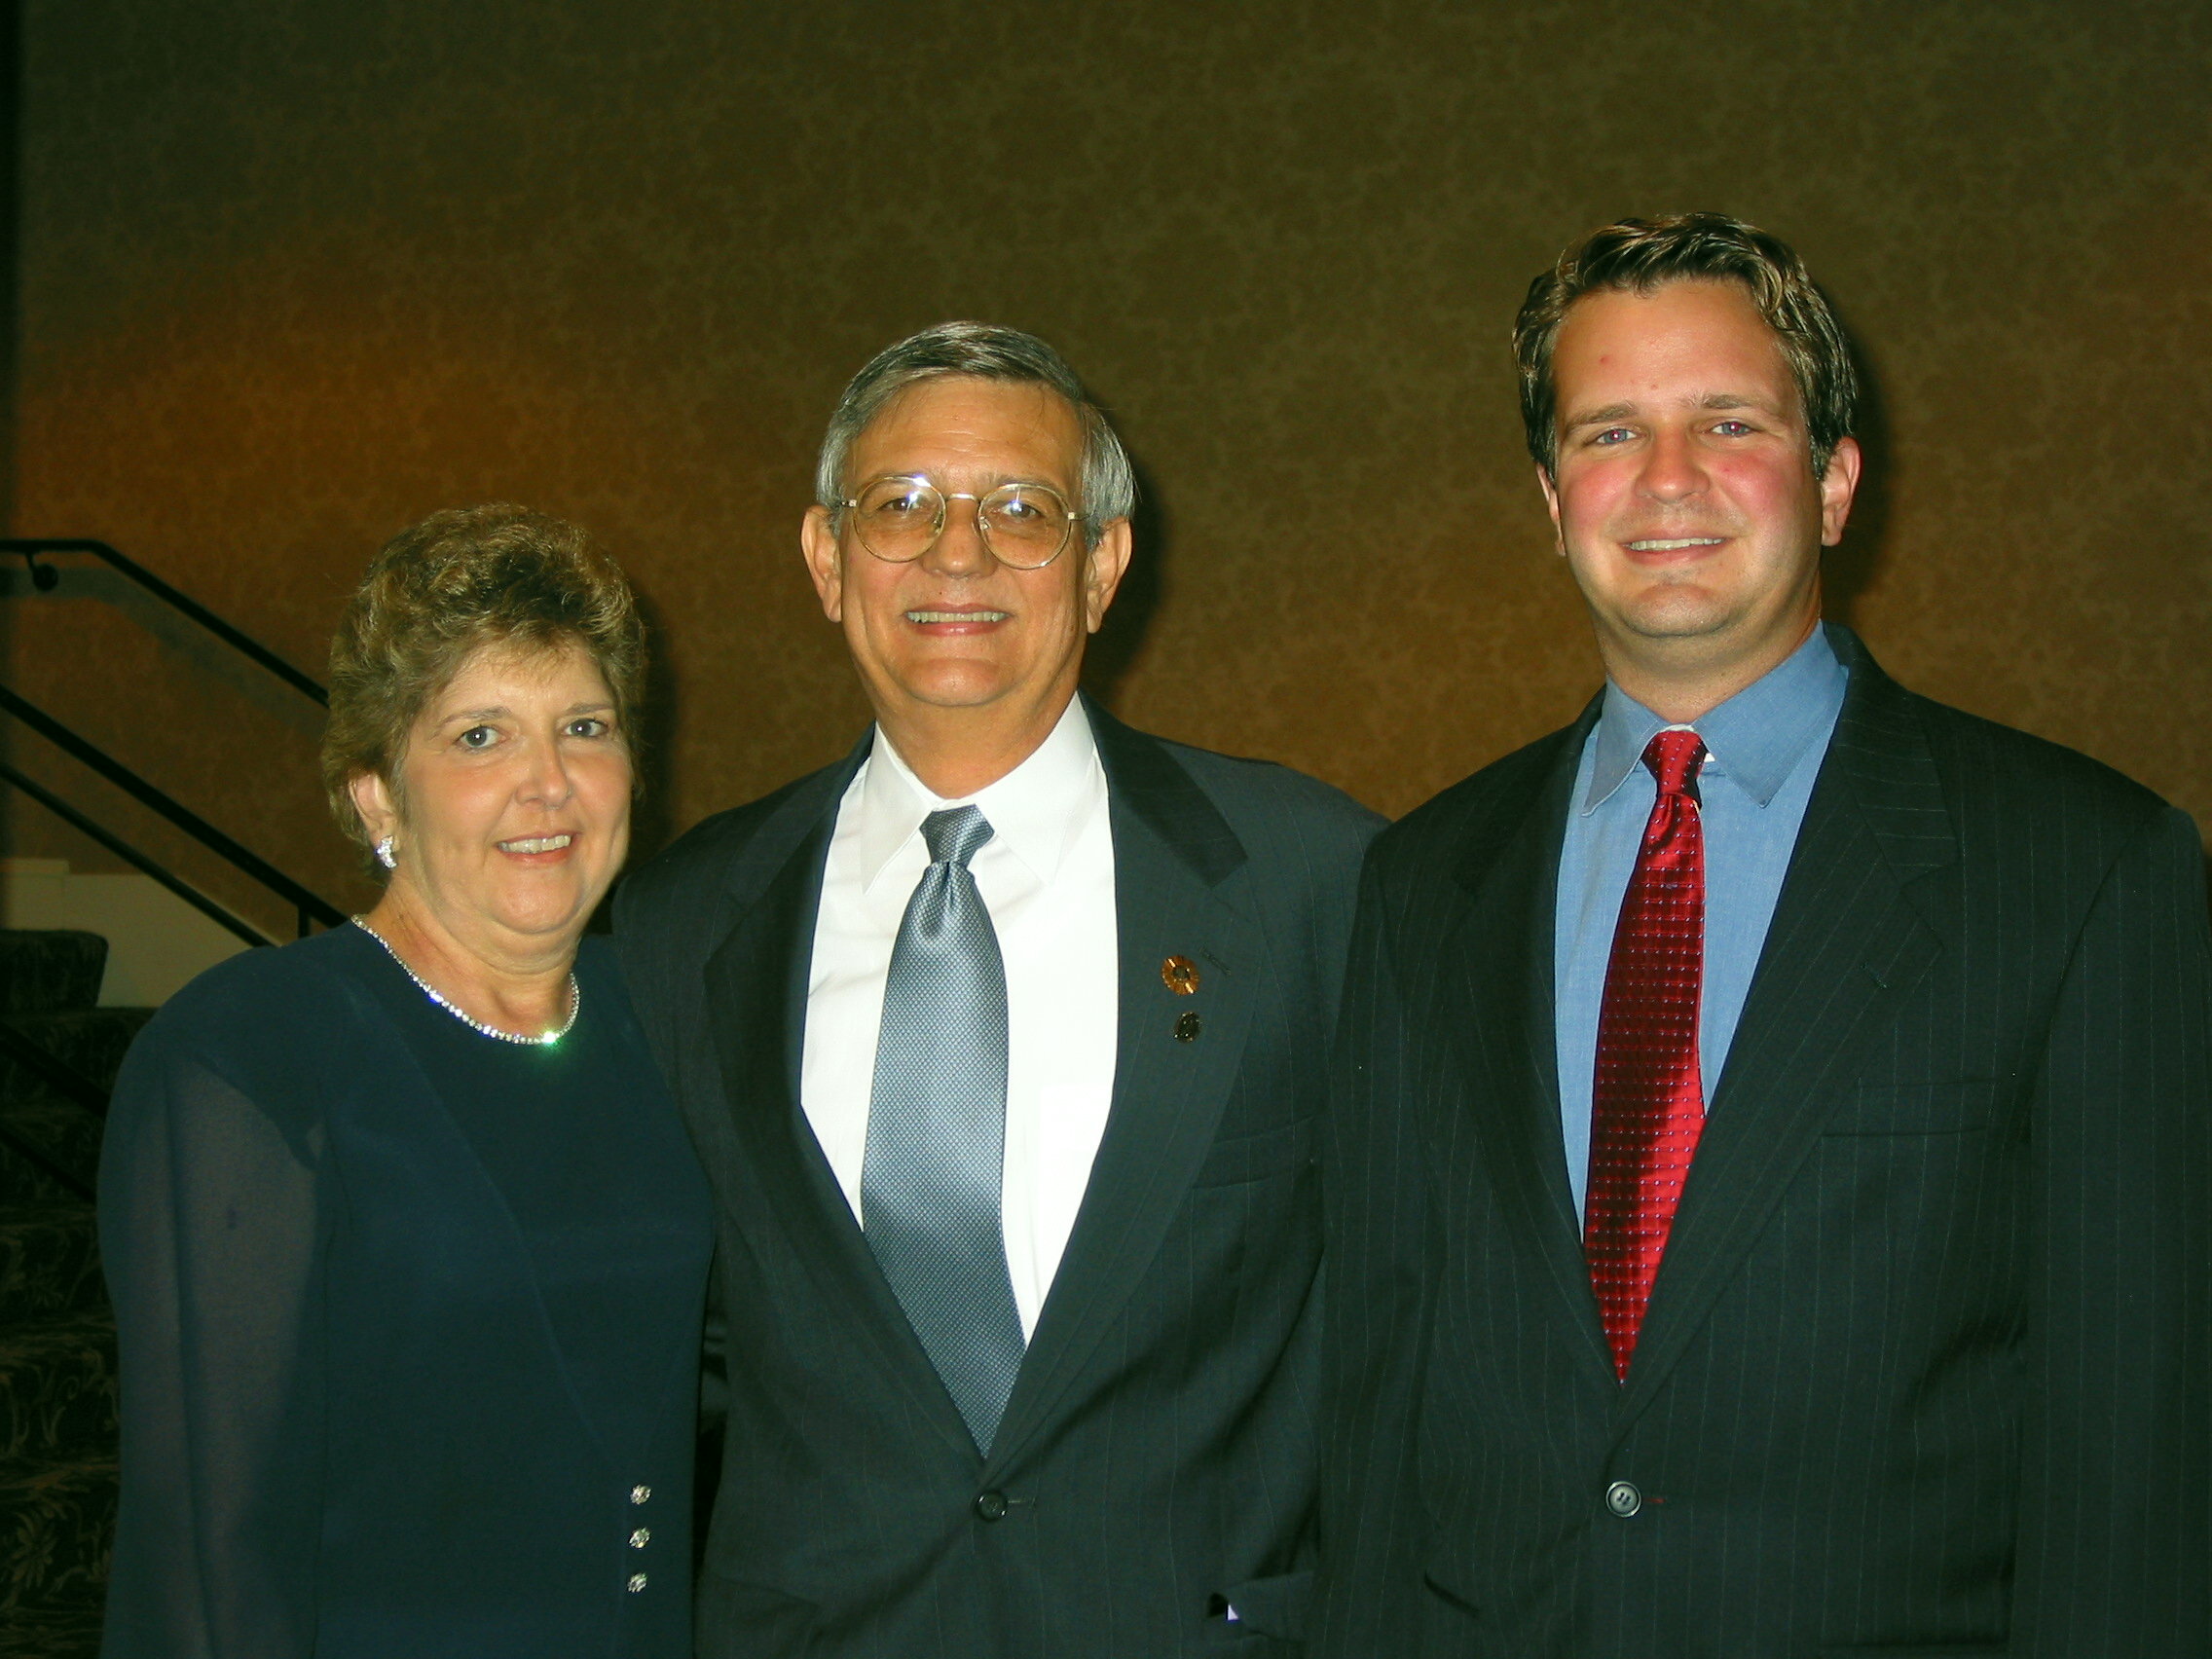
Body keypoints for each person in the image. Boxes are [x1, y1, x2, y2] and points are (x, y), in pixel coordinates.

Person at [1317, 214, 2211, 1656]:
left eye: (1728, 422)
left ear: (1836, 480)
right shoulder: (1421, 882)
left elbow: (2136, 1459)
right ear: (1552, 498)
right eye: (1610, 433)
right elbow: (1372, 1405)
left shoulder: (2086, 871)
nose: (1666, 480)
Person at [615, 322, 1382, 1657]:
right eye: (900, 505)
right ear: (825, 558)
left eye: (1021, 509)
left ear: (1101, 565)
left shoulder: (1315, 883)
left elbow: (1406, 1317)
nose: (954, 552)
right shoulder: (686, 921)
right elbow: (680, 1351)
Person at [98, 504, 714, 1658]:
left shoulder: (660, 1019)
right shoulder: (249, 1056)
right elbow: (206, 1554)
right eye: (481, 737)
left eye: (583, 726)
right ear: (379, 793)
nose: (548, 785)